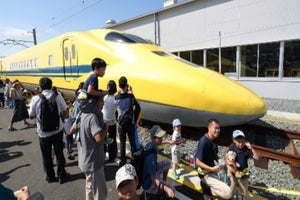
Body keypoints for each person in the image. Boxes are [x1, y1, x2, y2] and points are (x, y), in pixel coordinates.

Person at [29, 77, 69, 184]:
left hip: (43, 133)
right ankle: (62, 175)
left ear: (41, 87)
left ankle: (50, 176)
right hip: (57, 131)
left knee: (46, 155)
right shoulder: (58, 96)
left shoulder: (35, 99)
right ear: (51, 85)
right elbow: (66, 113)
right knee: (59, 153)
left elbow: (31, 116)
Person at [71, 96, 109, 200]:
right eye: (102, 101)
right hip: (93, 162)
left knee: (89, 187)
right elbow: (99, 138)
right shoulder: (92, 117)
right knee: (99, 192)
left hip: (84, 160)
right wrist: (106, 128)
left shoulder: (81, 114)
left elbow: (71, 130)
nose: (103, 104)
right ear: (95, 102)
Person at [195, 118, 232, 200]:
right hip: (205, 174)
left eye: (219, 128)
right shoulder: (203, 142)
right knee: (228, 193)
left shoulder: (212, 140)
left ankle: (208, 187)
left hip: (212, 171)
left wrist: (220, 162)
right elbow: (197, 162)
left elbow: (212, 154)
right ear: (209, 128)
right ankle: (205, 184)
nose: (218, 130)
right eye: (216, 128)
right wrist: (212, 168)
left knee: (228, 180)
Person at [142, 125, 175, 198]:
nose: (161, 139)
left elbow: (160, 143)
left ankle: (163, 182)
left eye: (161, 137)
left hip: (153, 171)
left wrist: (167, 142)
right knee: (172, 190)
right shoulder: (151, 156)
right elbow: (154, 179)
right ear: (154, 138)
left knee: (167, 162)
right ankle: (157, 190)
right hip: (149, 182)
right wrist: (167, 189)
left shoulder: (151, 144)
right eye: (159, 138)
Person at [115, 76, 141, 167]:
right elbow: (138, 107)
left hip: (121, 123)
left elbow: (115, 111)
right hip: (130, 123)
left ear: (119, 86)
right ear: (126, 85)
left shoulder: (116, 98)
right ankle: (134, 160)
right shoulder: (130, 96)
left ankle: (123, 161)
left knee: (122, 142)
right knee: (132, 141)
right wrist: (135, 119)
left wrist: (117, 119)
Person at [226, 130, 259, 200]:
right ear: (234, 141)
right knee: (230, 190)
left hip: (243, 173)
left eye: (242, 141)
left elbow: (256, 158)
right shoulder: (232, 147)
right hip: (233, 172)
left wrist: (251, 148)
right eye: (238, 141)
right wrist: (233, 165)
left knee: (244, 192)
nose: (240, 144)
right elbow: (228, 158)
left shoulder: (246, 149)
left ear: (245, 141)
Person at [102, 80, 118, 162]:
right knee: (112, 139)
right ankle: (112, 157)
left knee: (103, 139)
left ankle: (103, 156)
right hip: (112, 122)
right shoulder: (115, 99)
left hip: (104, 121)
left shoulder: (104, 98)